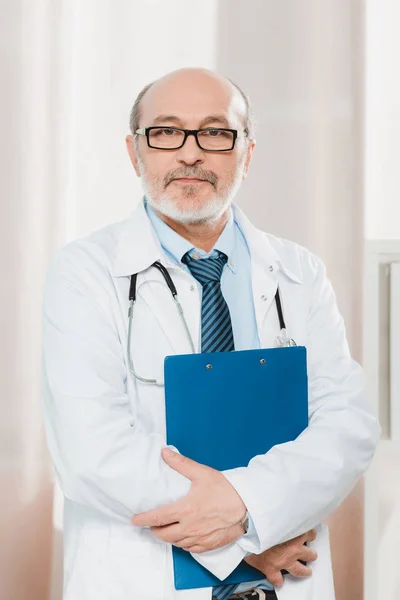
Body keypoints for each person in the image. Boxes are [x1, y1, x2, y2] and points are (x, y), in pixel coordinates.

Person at [42, 68, 380, 600]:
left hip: (288, 580)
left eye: (216, 133)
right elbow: (92, 452)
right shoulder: (85, 271)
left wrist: (246, 510)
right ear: (135, 152)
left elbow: (347, 426)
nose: (190, 153)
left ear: (246, 153)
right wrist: (247, 540)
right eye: (166, 132)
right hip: (142, 578)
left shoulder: (298, 272)